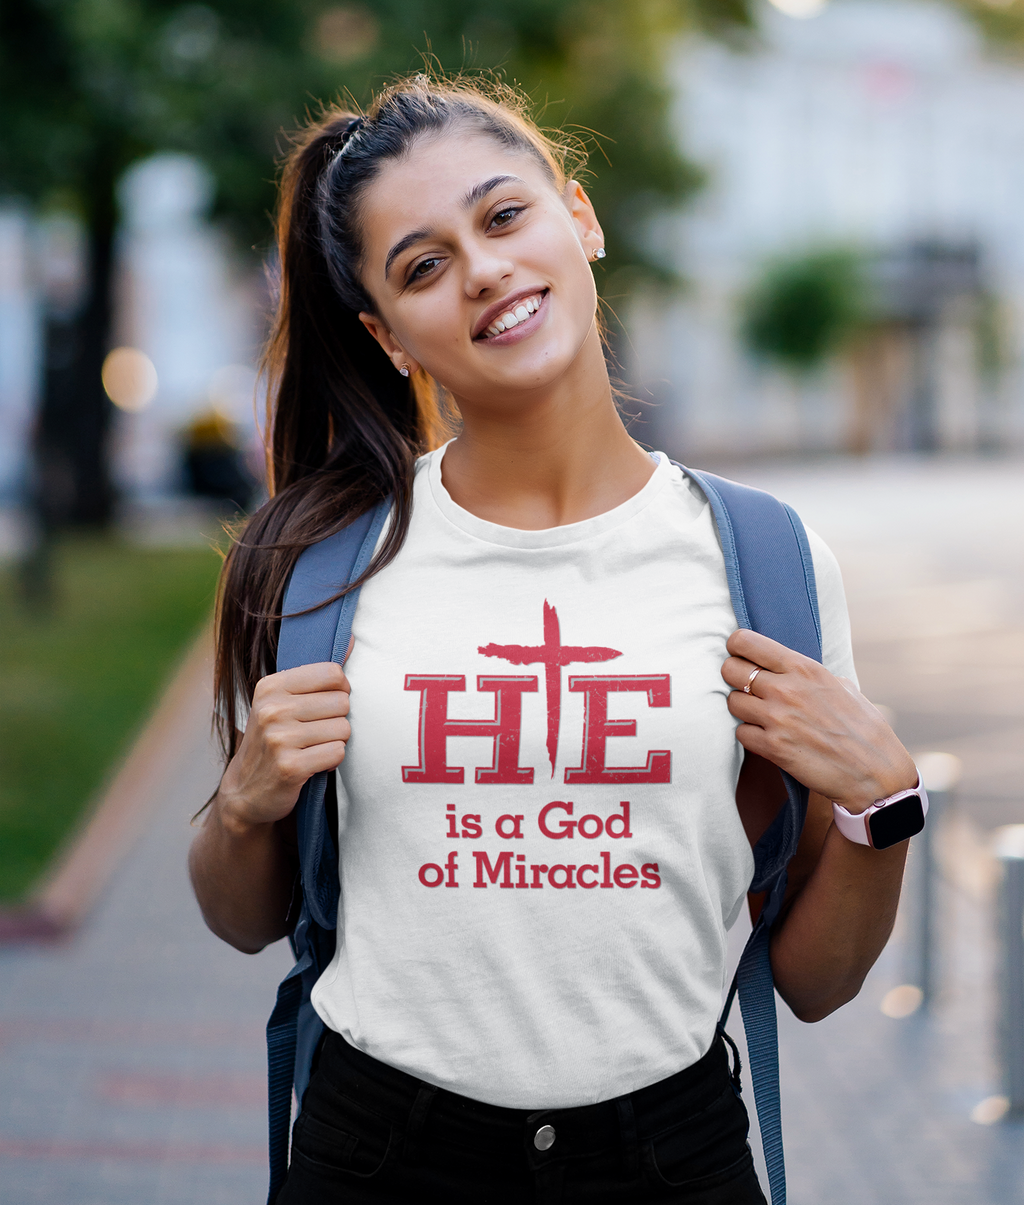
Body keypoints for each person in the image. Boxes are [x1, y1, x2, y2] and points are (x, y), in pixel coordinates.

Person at [189, 75, 919, 1204]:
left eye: (503, 216)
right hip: (380, 1154)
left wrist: (886, 808)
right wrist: (242, 804)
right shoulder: (321, 564)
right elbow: (243, 920)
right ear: (388, 336)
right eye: (423, 266)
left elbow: (815, 984)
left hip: (668, 1155)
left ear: (579, 217)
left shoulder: (763, 560)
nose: (481, 269)